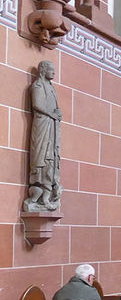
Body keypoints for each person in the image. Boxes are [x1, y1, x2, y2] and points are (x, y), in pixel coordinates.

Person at [22, 60, 62, 212]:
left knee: (51, 158)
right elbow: (37, 104)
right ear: (43, 70)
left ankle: (47, 195)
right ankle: (39, 196)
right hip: (42, 125)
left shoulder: (52, 88)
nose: (53, 72)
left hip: (51, 125)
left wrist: (57, 113)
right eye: (51, 69)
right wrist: (52, 113)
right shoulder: (37, 86)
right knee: (41, 157)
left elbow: (55, 106)